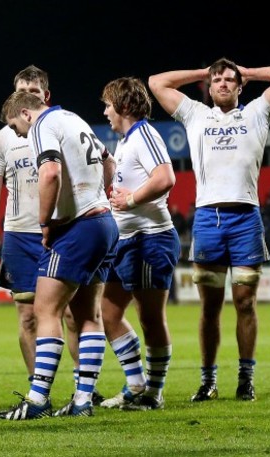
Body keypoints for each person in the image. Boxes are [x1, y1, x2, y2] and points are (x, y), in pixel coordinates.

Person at [148, 58, 270, 402]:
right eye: (216, 79)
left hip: (246, 217)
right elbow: (157, 81)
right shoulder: (195, 114)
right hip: (208, 219)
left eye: (229, 80)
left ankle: (246, 378)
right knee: (210, 307)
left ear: (240, 86)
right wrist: (201, 73)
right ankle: (208, 381)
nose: (222, 83)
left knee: (245, 302)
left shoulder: (257, 113)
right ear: (208, 85)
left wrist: (249, 72)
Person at [0, 65, 106, 403]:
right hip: (21, 234)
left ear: (43, 97)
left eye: (32, 91)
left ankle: (81, 390)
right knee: (30, 315)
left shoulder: (48, 127)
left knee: (74, 315)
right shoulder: (4, 138)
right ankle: (40, 390)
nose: (26, 96)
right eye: (20, 89)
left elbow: (60, 172)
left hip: (63, 227)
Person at [98, 77, 180, 411]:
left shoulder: (144, 134)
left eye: (108, 104)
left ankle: (153, 393)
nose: (105, 112)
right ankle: (135, 384)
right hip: (127, 240)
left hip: (151, 238)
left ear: (124, 106)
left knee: (150, 318)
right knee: (108, 312)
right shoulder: (127, 141)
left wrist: (131, 200)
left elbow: (166, 178)